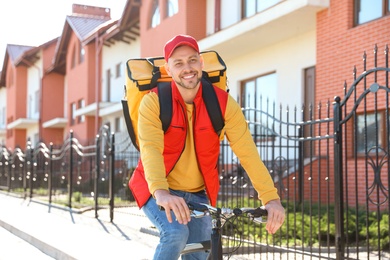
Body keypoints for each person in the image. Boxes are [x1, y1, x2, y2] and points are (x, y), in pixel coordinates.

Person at [129, 34, 285, 260]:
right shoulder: (153, 102)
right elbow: (150, 149)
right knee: (175, 234)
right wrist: (162, 193)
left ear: (201, 63)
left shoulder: (222, 103)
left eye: (192, 60)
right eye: (179, 63)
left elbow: (248, 153)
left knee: (201, 251)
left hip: (199, 194)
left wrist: (271, 199)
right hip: (157, 189)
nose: (187, 68)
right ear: (168, 69)